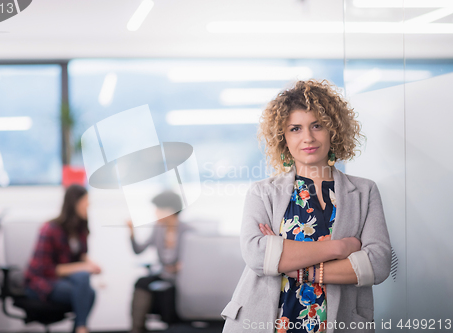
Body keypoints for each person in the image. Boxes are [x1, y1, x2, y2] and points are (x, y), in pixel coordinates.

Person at [221, 80, 391, 333]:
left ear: (333, 130)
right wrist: (340, 247)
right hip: (270, 322)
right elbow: (258, 255)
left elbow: (377, 265)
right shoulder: (263, 192)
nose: (308, 137)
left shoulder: (364, 191)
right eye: (295, 129)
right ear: (283, 138)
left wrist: (296, 268)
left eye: (317, 126)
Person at [24, 184, 101, 333]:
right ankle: (81, 328)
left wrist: (91, 264)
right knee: (87, 292)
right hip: (40, 282)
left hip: (63, 280)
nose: (89, 205)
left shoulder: (80, 228)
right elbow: (46, 269)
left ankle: (80, 327)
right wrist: (83, 267)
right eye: (86, 202)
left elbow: (80, 256)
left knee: (84, 282)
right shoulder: (50, 229)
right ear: (75, 203)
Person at [127, 190, 193, 333]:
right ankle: (137, 329)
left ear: (170, 210)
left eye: (158, 209)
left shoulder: (188, 231)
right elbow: (138, 250)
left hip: (181, 277)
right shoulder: (158, 229)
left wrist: (183, 266)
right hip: (163, 273)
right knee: (141, 282)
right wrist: (131, 233)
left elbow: (197, 259)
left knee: (168, 291)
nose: (155, 213)